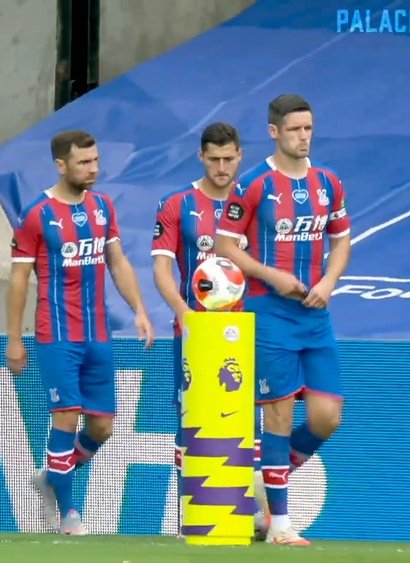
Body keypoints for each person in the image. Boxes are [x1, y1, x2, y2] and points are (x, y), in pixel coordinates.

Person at [215, 94, 351, 546]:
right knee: (277, 412)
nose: (304, 136)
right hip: (269, 311)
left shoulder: (328, 182)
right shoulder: (252, 184)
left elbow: (341, 241)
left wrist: (329, 282)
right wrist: (271, 275)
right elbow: (226, 246)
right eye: (295, 129)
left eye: (308, 128)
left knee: (327, 416)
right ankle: (280, 523)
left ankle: (266, 482)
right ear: (274, 132)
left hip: (315, 314)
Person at [5, 130, 154, 535]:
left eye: (95, 161)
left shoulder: (103, 207)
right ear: (61, 165)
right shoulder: (37, 213)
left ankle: (53, 476)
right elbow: (19, 279)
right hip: (56, 334)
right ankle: (69, 514)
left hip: (98, 334)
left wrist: (139, 309)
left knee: (102, 427)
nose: (93, 169)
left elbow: (118, 263)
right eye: (84, 162)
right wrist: (15, 338)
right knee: (66, 417)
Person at [150, 123, 270, 538]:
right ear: (201, 157)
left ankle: (251, 510)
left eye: (229, 158)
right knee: (191, 420)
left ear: (240, 156)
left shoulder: (256, 202)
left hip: (245, 328)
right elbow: (162, 268)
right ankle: (192, 515)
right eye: (214, 159)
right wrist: (183, 312)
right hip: (196, 331)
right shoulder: (177, 204)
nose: (221, 167)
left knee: (252, 417)